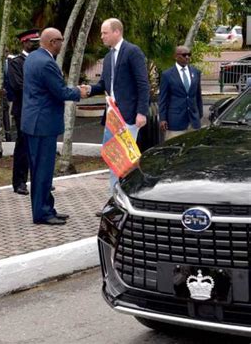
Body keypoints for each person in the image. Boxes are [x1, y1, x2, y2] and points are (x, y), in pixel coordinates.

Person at [22, 27, 87, 225]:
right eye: (60, 40)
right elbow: (59, 91)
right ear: (52, 42)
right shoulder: (46, 63)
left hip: (35, 122)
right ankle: (42, 213)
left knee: (41, 169)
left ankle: (46, 207)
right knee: (43, 170)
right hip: (43, 124)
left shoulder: (33, 58)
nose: (62, 44)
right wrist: (79, 92)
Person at [84, 18, 150, 191]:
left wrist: (141, 112)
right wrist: (89, 89)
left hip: (129, 117)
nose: (101, 37)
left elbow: (143, 84)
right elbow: (104, 85)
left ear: (117, 32)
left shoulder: (132, 52)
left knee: (127, 161)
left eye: (104, 33)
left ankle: (129, 196)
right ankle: (114, 199)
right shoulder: (107, 58)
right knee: (114, 160)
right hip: (112, 117)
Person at [8, 29, 40, 195]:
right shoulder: (16, 62)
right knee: (23, 147)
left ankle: (38, 180)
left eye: (37, 41)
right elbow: (18, 85)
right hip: (23, 110)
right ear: (24, 43)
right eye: (32, 42)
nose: (35, 44)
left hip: (39, 110)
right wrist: (40, 91)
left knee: (38, 148)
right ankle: (19, 182)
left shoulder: (41, 60)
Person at [159, 45, 203, 141]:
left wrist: (200, 114)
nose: (187, 57)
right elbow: (163, 99)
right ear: (176, 56)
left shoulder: (196, 72)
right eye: (184, 55)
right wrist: (162, 118)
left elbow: (198, 95)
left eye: (189, 54)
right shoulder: (167, 75)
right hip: (175, 121)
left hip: (193, 121)